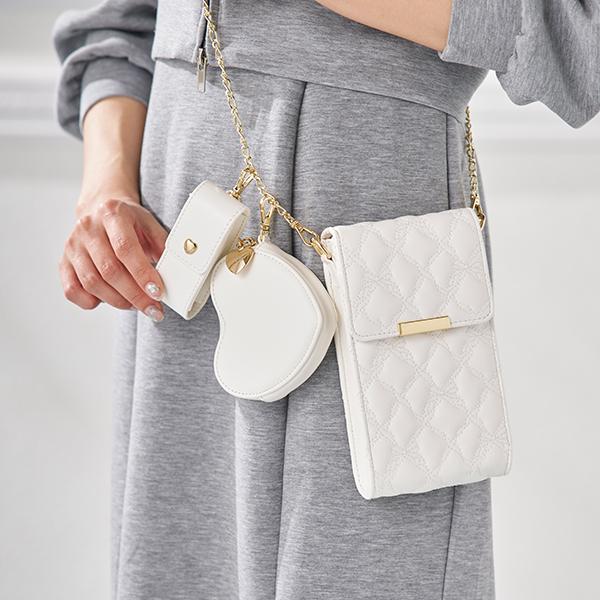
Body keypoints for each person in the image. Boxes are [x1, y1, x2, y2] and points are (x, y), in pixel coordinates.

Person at [52, 1, 600, 598]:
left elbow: (581, 42)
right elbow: (121, 24)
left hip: (370, 251)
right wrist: (104, 190)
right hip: (182, 249)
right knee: (180, 570)